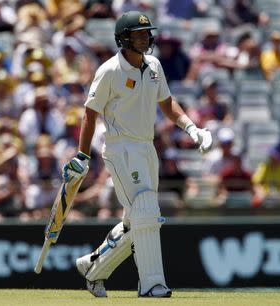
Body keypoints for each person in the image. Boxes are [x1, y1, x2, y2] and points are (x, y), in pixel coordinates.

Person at [62, 11, 212, 298]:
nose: (146, 38)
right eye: (139, 34)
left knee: (136, 221)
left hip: (146, 147)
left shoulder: (154, 65)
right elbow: (89, 115)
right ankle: (152, 285)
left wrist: (193, 129)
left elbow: (167, 104)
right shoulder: (108, 71)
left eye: (147, 33)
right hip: (120, 149)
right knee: (146, 210)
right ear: (124, 38)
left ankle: (93, 268)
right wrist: (83, 155)